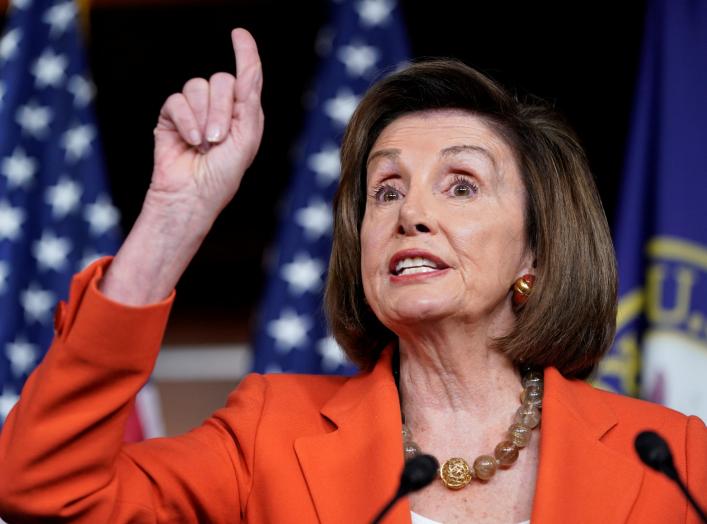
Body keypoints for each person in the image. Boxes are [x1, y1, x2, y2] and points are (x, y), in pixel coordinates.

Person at [0, 28, 705, 524]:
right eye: (386, 190)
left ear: (537, 252)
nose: (410, 214)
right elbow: (44, 488)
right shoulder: (268, 435)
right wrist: (173, 218)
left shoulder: (672, 460)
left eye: (459, 185)